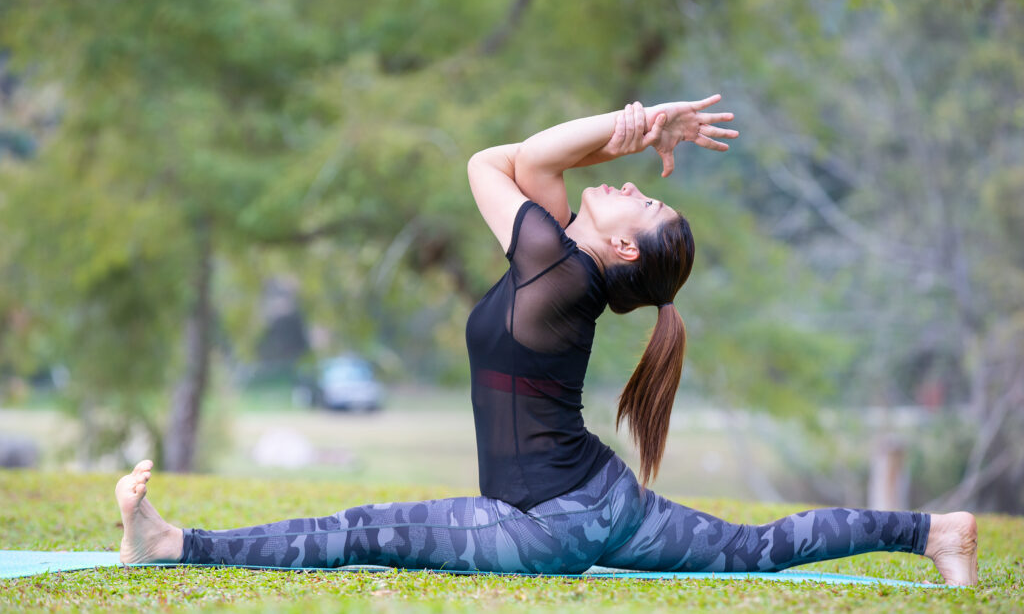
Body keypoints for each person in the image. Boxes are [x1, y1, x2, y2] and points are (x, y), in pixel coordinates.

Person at [115, 96, 978, 585]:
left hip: (543, 524)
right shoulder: (560, 261)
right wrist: (631, 127)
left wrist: (632, 123)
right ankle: (934, 530)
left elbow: (495, 163)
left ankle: (175, 544)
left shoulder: (557, 268)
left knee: (360, 530)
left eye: (641, 200)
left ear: (625, 249)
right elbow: (527, 162)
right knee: (755, 549)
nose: (630, 185)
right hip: (599, 501)